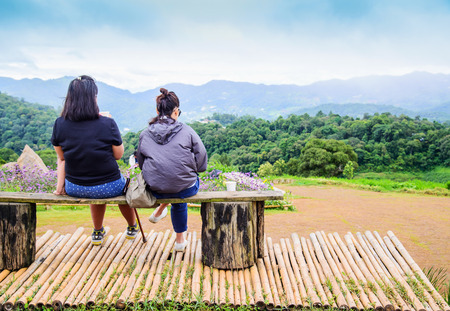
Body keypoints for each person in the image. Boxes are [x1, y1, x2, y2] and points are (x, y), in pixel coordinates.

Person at [51, 75, 137, 246]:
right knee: (125, 187)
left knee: (93, 187)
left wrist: (59, 187)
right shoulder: (107, 123)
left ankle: (97, 231)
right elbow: (118, 155)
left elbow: (62, 159)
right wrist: (109, 122)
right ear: (93, 98)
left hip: (74, 187)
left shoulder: (60, 124)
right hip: (109, 186)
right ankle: (132, 226)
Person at [137, 88, 207, 252]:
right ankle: (180, 240)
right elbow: (201, 158)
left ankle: (161, 210)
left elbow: (141, 163)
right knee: (180, 188)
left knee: (174, 184)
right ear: (176, 112)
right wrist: (193, 170)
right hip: (184, 188)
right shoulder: (187, 130)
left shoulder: (145, 134)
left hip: (156, 189)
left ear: (157, 110)